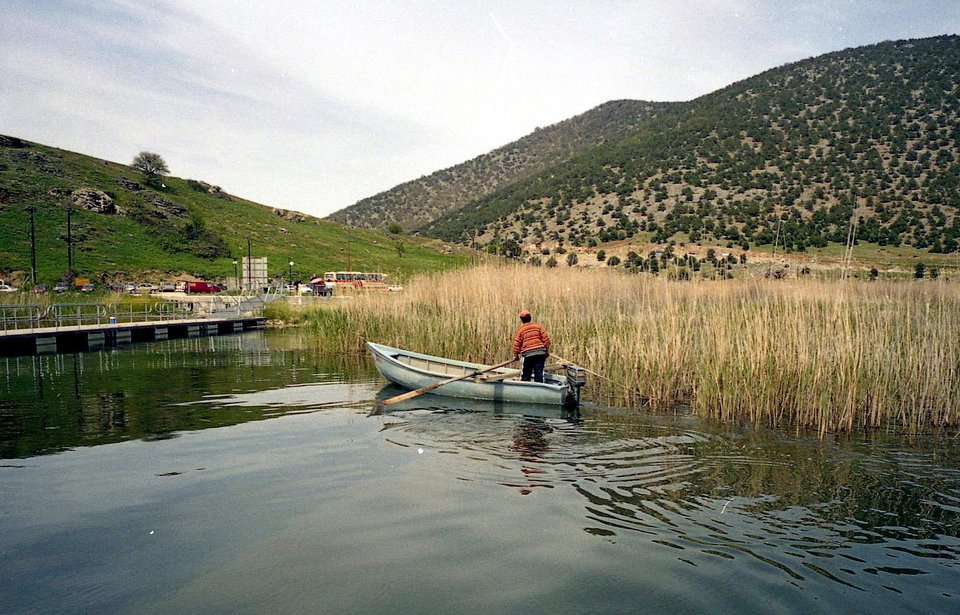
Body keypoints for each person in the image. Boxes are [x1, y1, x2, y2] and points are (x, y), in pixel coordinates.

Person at [512, 310, 551, 383]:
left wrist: (516, 355)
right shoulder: (538, 327)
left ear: (521, 320)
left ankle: (525, 388)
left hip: (528, 355)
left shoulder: (521, 330)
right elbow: (547, 340)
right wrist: (546, 351)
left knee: (526, 375)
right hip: (540, 353)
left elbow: (516, 345)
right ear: (530, 318)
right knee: (539, 374)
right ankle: (539, 389)